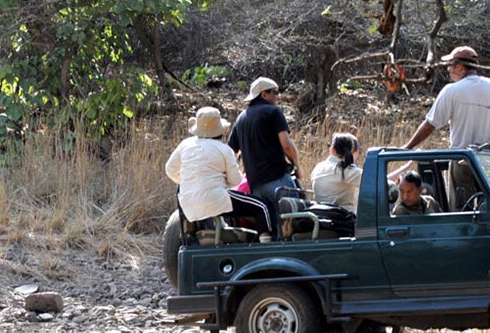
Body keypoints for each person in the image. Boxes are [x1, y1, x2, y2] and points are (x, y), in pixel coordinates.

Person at [166, 107, 272, 236]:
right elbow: (235, 181)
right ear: (220, 130)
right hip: (216, 199)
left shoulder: (185, 144)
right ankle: (266, 244)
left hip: (188, 202)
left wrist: (188, 181)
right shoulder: (224, 149)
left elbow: (170, 169)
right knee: (261, 207)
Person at [402, 46, 490, 152]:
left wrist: (407, 147)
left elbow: (430, 125)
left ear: (460, 66)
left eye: (450, 64)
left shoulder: (451, 90)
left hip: (461, 158)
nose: (448, 68)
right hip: (489, 160)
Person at [227, 77, 303, 216]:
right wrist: (297, 167)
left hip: (255, 188)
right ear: (264, 94)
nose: (278, 97)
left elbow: (230, 151)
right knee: (293, 225)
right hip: (279, 182)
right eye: (275, 92)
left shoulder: (241, 118)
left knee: (272, 230)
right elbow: (286, 145)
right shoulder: (274, 112)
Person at [311, 133, 415, 212]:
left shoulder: (318, 168)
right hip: (345, 219)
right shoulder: (347, 171)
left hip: (323, 215)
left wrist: (406, 167)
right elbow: (382, 184)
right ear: (353, 152)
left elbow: (375, 180)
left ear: (332, 150)